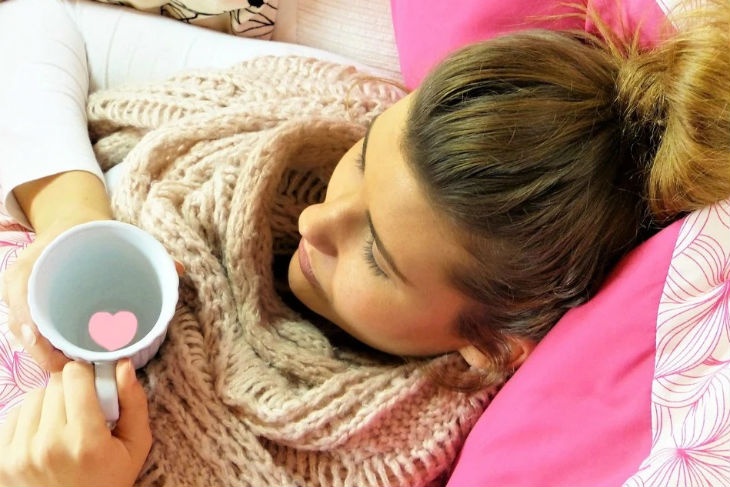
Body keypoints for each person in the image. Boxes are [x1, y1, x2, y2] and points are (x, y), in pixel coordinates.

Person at [2, 0, 730, 485]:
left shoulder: (390, 464)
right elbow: (35, 23)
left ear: (490, 346)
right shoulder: (313, 105)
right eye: (362, 159)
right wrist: (74, 221)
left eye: (377, 254)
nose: (316, 221)